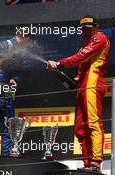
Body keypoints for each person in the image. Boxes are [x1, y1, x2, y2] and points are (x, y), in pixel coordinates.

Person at [47, 16, 110, 172]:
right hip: (83, 86)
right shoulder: (86, 44)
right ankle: (87, 163)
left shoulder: (99, 38)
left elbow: (81, 57)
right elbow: (81, 64)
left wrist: (58, 63)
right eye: (84, 28)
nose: (87, 31)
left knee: (93, 123)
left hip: (93, 84)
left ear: (96, 26)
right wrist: (72, 77)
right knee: (80, 128)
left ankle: (96, 163)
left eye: (90, 27)